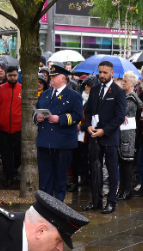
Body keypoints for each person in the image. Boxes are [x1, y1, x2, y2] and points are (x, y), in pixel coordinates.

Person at [83, 60, 126, 214]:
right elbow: (88, 111)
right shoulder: (94, 90)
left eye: (105, 72)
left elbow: (120, 117)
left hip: (109, 137)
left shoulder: (118, 92)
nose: (102, 75)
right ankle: (96, 201)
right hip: (94, 136)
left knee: (112, 171)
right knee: (95, 169)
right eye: (100, 72)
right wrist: (88, 125)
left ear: (112, 73)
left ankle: (111, 202)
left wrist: (104, 130)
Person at [34, 63, 82, 201]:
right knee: (45, 177)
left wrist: (60, 119)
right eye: (51, 76)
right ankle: (45, 204)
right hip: (44, 142)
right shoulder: (44, 95)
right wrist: (37, 117)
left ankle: (58, 205)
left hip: (62, 143)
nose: (51, 79)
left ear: (63, 78)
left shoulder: (73, 96)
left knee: (61, 178)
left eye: (54, 76)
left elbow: (77, 116)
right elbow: (35, 111)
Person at [0, 65, 22, 188]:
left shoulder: (22, 89)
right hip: (3, 128)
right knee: (6, 154)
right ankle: (8, 177)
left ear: (17, 75)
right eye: (10, 75)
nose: (12, 77)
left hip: (18, 128)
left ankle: (14, 169)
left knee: (19, 153)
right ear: (7, 75)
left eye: (14, 75)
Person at [117, 71, 142, 201]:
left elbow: (121, 112)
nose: (123, 83)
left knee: (126, 164)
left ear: (131, 84)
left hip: (128, 136)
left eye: (125, 81)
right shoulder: (126, 97)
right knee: (122, 164)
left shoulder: (131, 98)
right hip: (123, 135)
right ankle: (122, 189)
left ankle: (126, 190)